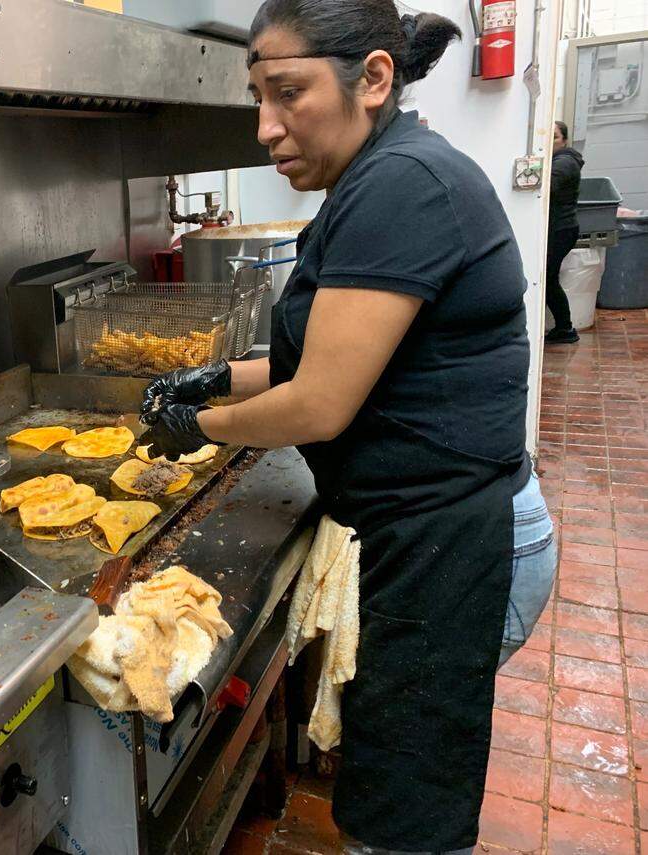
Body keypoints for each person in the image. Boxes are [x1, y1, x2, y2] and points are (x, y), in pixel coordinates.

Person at [139, 1, 557, 852]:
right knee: (389, 793)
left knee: (403, 824)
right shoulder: (374, 177)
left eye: (288, 92)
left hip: (457, 543)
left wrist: (201, 426)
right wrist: (216, 375)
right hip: (428, 534)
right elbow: (326, 357)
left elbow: (320, 402)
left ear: (372, 78)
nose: (266, 126)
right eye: (258, 97)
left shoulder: (404, 186)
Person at [545, 120, 586, 343]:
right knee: (549, 278)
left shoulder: (565, 162)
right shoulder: (561, 160)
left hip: (560, 229)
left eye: (554, 137)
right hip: (561, 228)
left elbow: (546, 187)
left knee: (547, 279)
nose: (549, 141)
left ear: (564, 141)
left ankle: (565, 328)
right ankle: (564, 327)